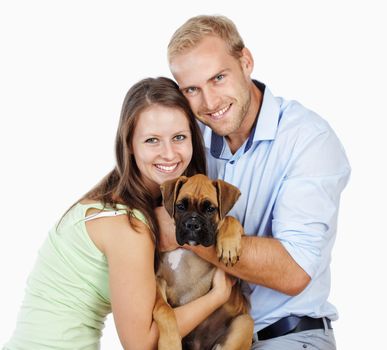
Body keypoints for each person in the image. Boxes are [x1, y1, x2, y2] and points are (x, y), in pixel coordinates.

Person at [157, 15, 351, 349]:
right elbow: (133, 178)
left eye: (218, 77)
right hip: (200, 331)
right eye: (192, 89)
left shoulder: (307, 140)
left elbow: (294, 270)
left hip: (284, 335)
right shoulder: (188, 137)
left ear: (245, 62)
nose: (210, 102)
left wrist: (184, 233)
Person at [3, 77, 234, 350]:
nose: (169, 153)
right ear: (128, 145)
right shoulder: (126, 225)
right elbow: (141, 344)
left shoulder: (110, 199)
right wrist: (218, 296)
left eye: (179, 137)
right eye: (152, 140)